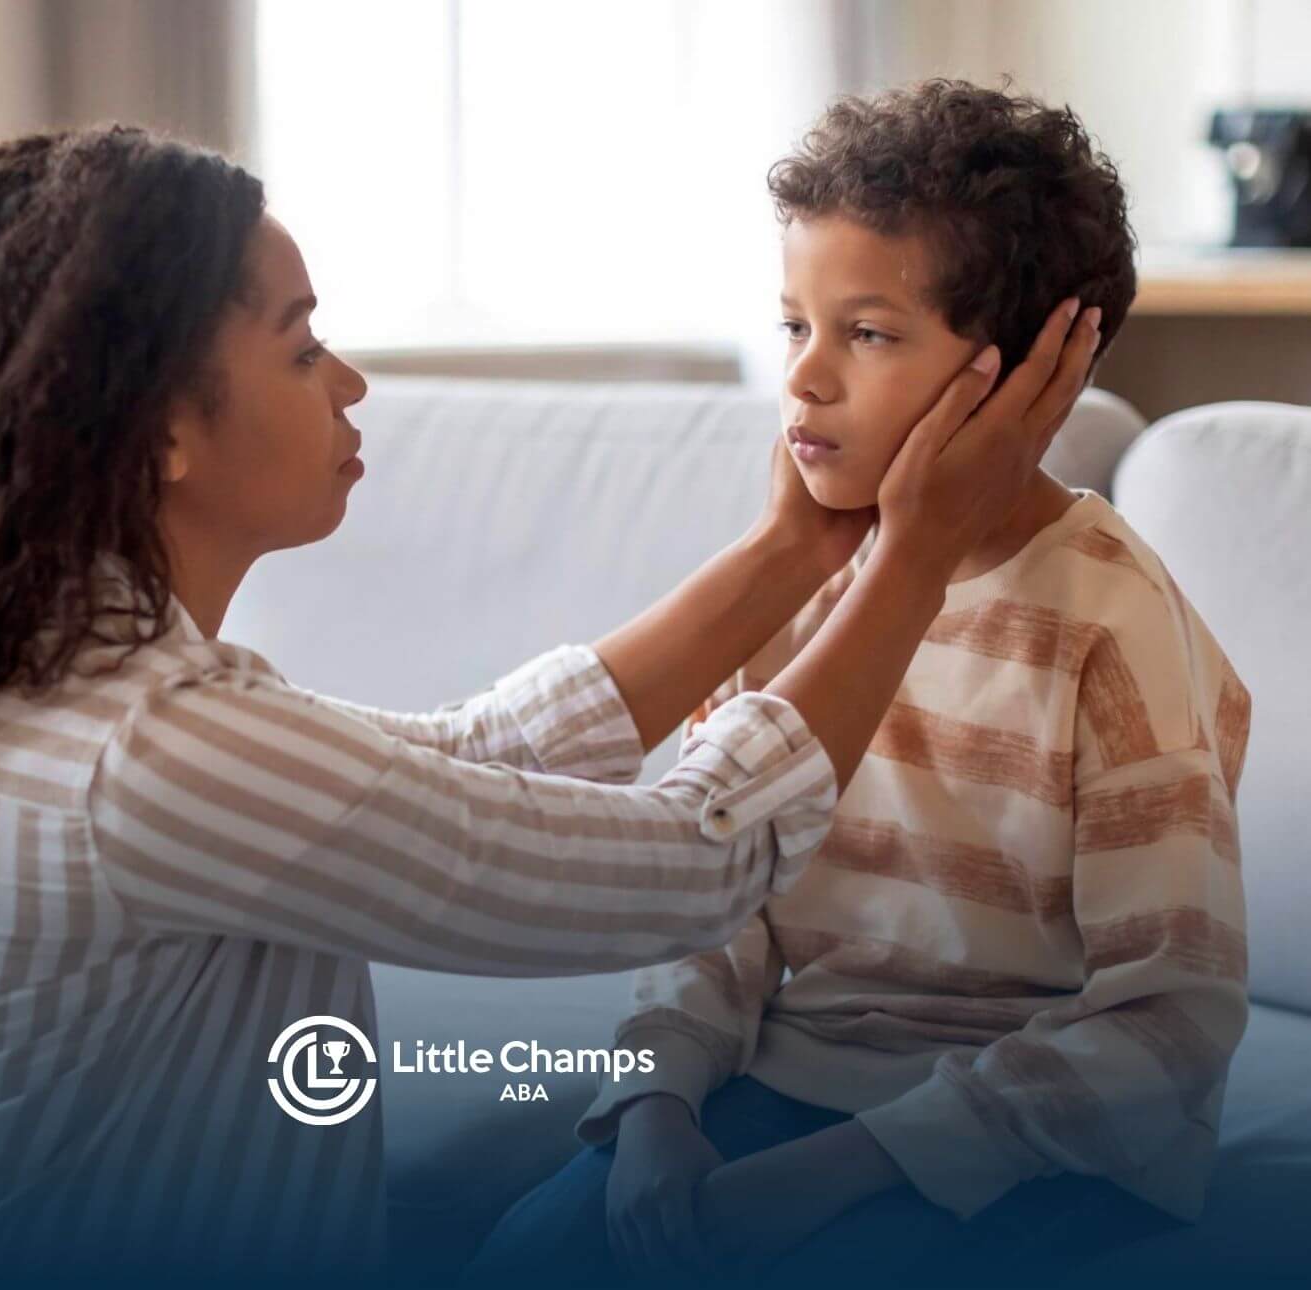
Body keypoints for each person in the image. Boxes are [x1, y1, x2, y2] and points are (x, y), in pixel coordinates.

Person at [0, 124, 1096, 1287]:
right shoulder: (150, 748)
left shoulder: (68, 678)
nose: (352, 380)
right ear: (161, 426)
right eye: (303, 346)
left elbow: (446, 768)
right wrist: (912, 555)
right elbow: (693, 863)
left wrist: (798, 550)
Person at [470, 81, 1250, 1290]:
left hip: (1036, 1151)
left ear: (1023, 373)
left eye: (866, 334)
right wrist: (657, 1109)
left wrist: (836, 1171)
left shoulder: (1112, 622)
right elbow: (711, 897)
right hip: (787, 1088)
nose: (803, 381)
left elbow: (1167, 1021)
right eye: (794, 326)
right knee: (525, 1257)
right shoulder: (792, 591)